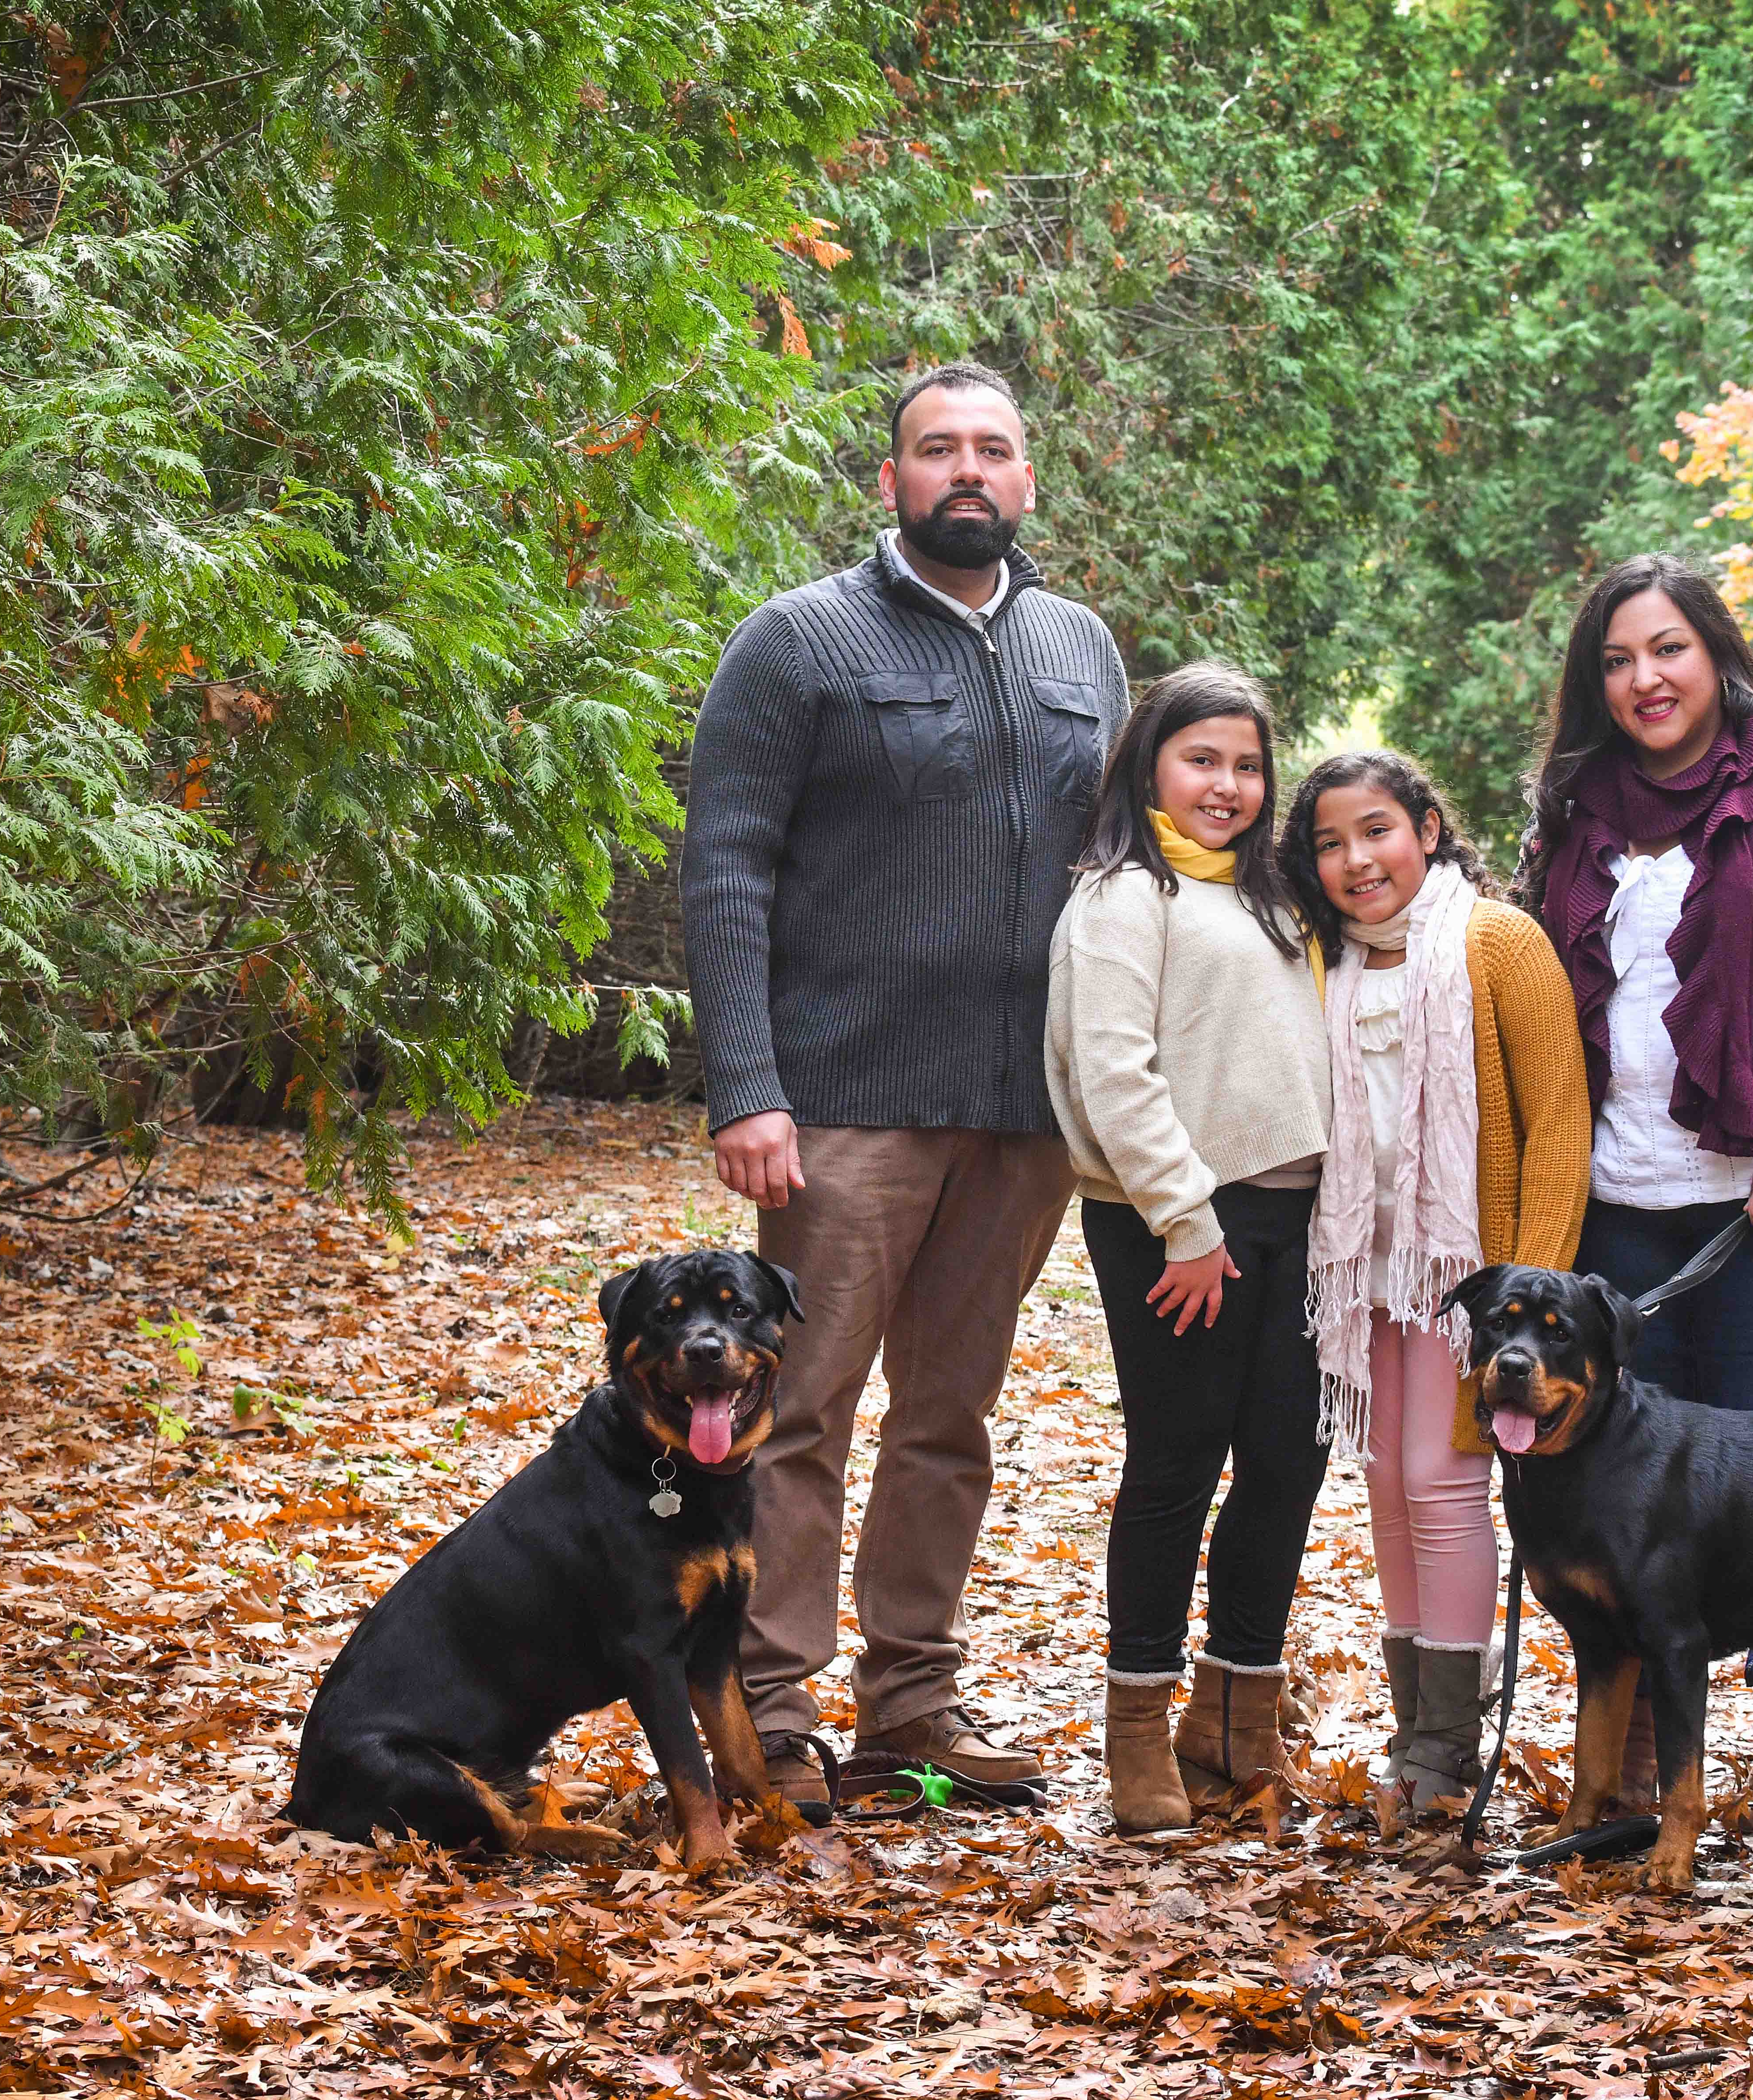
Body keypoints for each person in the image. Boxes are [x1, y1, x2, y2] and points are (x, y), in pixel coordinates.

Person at [681, 360, 1128, 1809]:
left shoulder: (1080, 650)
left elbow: (1125, 875)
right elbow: (727, 865)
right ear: (890, 480)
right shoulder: (798, 640)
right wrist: (747, 1085)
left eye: (992, 449)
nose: (966, 471)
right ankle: (766, 1708)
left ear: (1027, 479)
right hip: (844, 1104)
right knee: (798, 1408)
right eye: (937, 449)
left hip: (1021, 1113)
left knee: (949, 1419)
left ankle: (911, 1704)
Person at [1515, 552, 1753, 1834]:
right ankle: (1628, 1759)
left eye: (1667, 648)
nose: (1645, 678)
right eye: (1617, 659)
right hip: (1616, 1204)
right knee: (1620, 1487)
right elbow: (1537, 984)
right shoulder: (1572, 815)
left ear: (1716, 654)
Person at [1044, 663, 1333, 1834]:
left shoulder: (1273, 896)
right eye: (1200, 759)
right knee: (1175, 1467)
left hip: (1297, 1221)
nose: (1226, 784)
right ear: (1148, 765)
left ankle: (1234, 1716)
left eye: (1247, 765)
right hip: (1175, 1228)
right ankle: (1137, 1729)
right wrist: (1186, 1220)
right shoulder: (1123, 895)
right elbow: (1113, 1073)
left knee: (1286, 1461)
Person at [1278, 751, 1590, 1819]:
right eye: (1329, 843)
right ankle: (1416, 1726)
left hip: (1469, 1284)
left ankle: (1447, 1747)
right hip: (1361, 1271)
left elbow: (1558, 1125)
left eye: (1376, 830)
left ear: (1425, 827)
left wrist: (1525, 1308)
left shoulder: (1497, 942)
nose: (1356, 860)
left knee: (1439, 1481)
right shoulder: (1323, 958)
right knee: (1384, 1486)